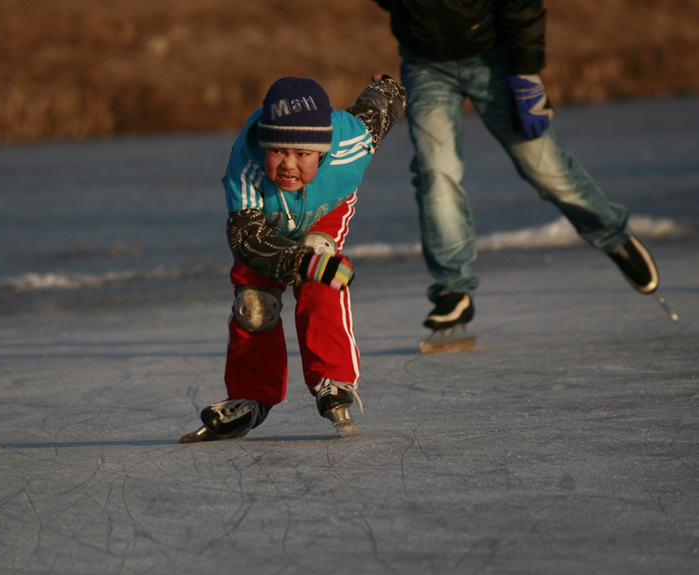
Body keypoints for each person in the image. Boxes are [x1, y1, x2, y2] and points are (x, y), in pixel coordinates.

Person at [370, 0, 660, 336]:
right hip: (425, 63)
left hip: (493, 55)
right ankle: (454, 288)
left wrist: (526, 73)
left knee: (545, 169)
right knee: (436, 172)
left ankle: (613, 235)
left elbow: (521, 3)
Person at [180, 75, 407, 443]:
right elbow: (248, 240)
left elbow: (377, 111)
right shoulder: (247, 168)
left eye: (301, 153)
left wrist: (388, 88)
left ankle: (333, 377)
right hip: (266, 224)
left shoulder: (353, 141)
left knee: (320, 269)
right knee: (254, 305)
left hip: (324, 209)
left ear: (322, 151)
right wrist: (298, 263)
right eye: (277, 151)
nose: (288, 165)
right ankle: (251, 394)